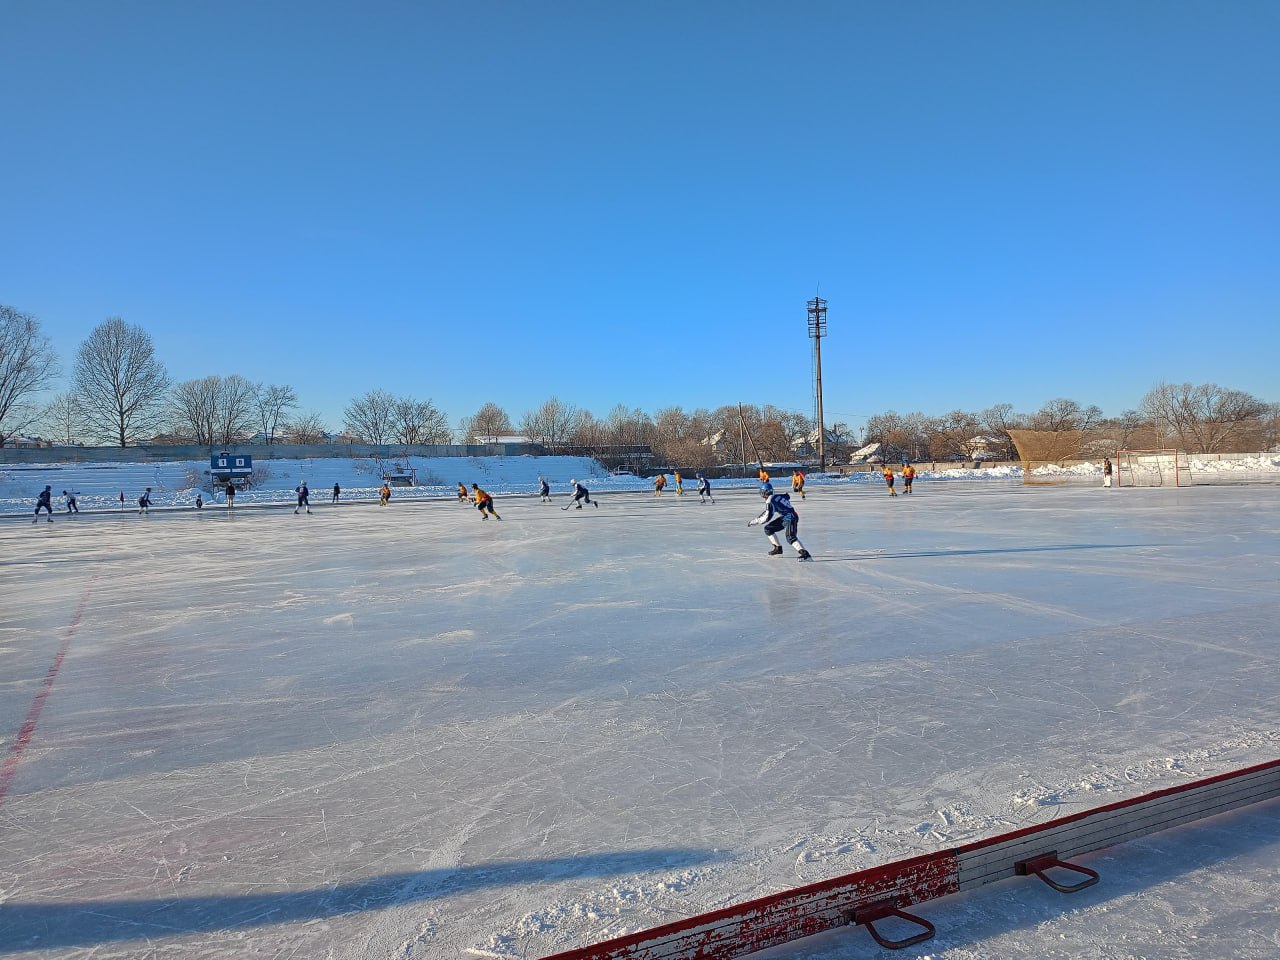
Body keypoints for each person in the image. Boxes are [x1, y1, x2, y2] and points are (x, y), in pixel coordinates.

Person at [748, 482, 811, 560]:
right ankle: (778, 548)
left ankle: (805, 554)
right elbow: (787, 496)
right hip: (786, 517)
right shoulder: (775, 496)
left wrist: (755, 521)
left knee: (790, 537)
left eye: (762, 492)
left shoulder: (770, 500)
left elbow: (767, 517)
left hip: (790, 517)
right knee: (768, 529)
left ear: (764, 492)